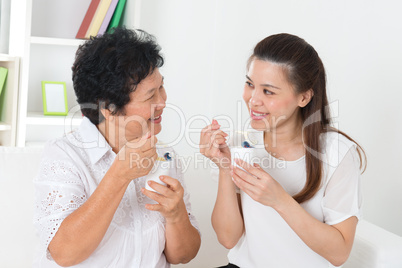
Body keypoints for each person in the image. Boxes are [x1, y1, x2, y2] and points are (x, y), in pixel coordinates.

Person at [33, 28, 201, 267]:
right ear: (109, 109)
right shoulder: (64, 155)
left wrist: (176, 215)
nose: (163, 102)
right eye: (150, 96)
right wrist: (119, 175)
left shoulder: (165, 156)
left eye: (161, 88)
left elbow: (183, 255)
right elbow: (64, 253)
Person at [200, 33, 366, 267]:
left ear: (304, 97)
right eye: (250, 84)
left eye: (268, 91)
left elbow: (339, 253)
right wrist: (226, 169)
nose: (253, 99)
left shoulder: (337, 154)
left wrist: (279, 200)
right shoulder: (242, 143)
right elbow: (228, 238)